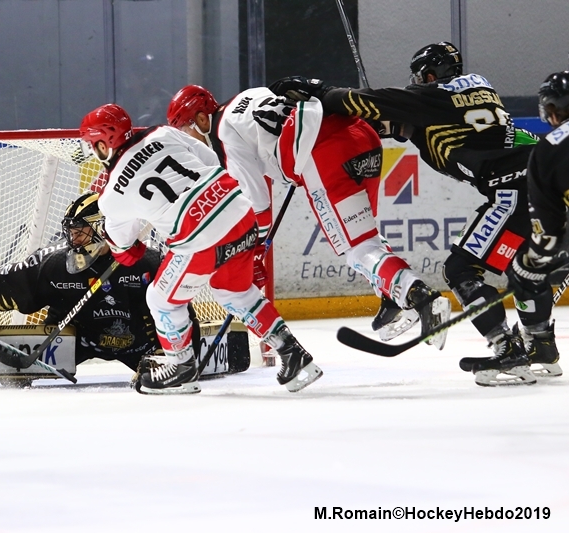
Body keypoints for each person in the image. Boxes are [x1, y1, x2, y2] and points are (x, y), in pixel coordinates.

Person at [282, 42, 541, 386]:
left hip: (512, 190)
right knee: (524, 266)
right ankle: (543, 346)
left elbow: (357, 102)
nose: (417, 82)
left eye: (420, 77)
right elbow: (409, 124)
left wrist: (320, 91)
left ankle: (507, 350)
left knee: (461, 269)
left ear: (431, 75)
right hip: (538, 184)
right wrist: (373, 115)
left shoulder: (432, 97)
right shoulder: (478, 89)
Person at [165, 84, 451, 346]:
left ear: (202, 119)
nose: (190, 142)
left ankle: (420, 296)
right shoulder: (246, 97)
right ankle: (392, 295)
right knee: (364, 237)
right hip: (361, 135)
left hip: (326, 152)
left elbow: (258, 206)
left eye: (186, 130)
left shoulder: (223, 133)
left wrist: (251, 255)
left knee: (357, 248)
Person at [79, 103, 323, 395]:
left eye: (92, 144)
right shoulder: (162, 133)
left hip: (198, 235)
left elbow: (123, 250)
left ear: (104, 144)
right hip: (239, 208)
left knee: (160, 299)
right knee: (235, 292)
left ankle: (181, 368)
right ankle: (293, 353)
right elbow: (211, 158)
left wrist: (133, 248)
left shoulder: (112, 195)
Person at [0, 192, 163, 375]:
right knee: (16, 376)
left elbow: (178, 310)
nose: (74, 241)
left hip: (140, 344)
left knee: (177, 374)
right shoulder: (56, 262)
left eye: (80, 232)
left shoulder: (149, 261)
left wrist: (170, 352)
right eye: (71, 233)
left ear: (102, 228)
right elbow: (3, 283)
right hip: (72, 340)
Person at [504, 71, 569, 379]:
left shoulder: (549, 148)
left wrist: (535, 261)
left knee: (524, 269)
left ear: (552, 109)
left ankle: (540, 342)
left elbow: (548, 226)